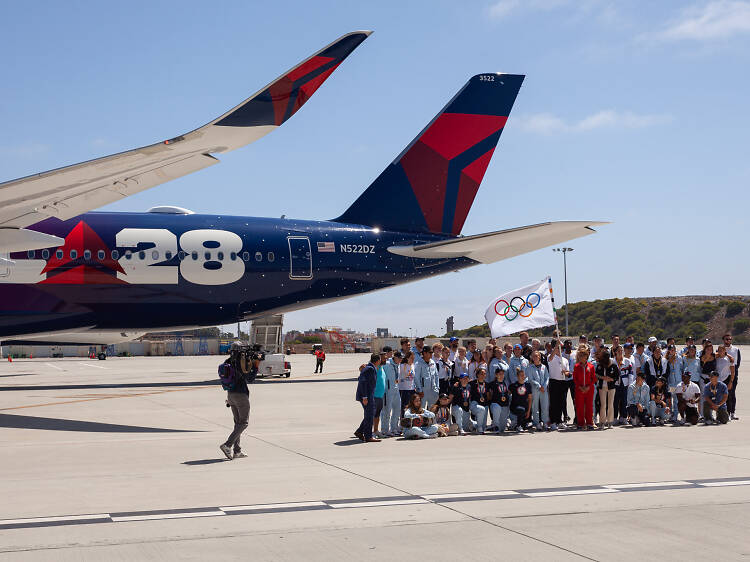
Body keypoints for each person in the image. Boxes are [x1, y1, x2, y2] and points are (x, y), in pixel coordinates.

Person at [220, 343, 251, 460]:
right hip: (241, 395)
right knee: (243, 423)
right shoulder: (240, 362)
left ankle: (237, 451)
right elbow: (250, 378)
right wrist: (256, 365)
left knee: (238, 424)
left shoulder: (228, 361)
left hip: (230, 395)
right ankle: (227, 445)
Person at [354, 353, 382, 442]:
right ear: (377, 361)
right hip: (367, 396)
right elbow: (362, 382)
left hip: (369, 395)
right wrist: (365, 397)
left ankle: (360, 432)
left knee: (369, 415)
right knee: (370, 415)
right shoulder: (369, 368)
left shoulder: (370, 367)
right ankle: (368, 436)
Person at [573, 345, 596, 430]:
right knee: (579, 406)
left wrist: (588, 387)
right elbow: (575, 379)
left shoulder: (591, 366)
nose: (582, 357)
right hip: (579, 390)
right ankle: (580, 423)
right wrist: (580, 387)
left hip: (589, 389)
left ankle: (589, 423)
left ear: (587, 356)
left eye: (584, 355)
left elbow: (594, 379)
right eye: (581, 355)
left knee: (589, 406)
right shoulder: (576, 366)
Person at [547, 340, 569, 430]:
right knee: (553, 403)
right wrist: (556, 346)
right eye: (559, 348)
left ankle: (559, 421)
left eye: (562, 348)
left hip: (562, 382)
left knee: (561, 403)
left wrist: (566, 373)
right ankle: (553, 422)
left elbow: (568, 372)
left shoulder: (565, 360)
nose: (561, 350)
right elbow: (550, 359)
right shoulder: (551, 356)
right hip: (553, 381)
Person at [526, 351, 550, 430]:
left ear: (539, 357)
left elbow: (547, 377)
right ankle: (537, 423)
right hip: (535, 389)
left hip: (544, 389)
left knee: (544, 406)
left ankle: (545, 422)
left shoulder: (544, 367)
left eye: (536, 356)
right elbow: (530, 379)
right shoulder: (530, 367)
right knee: (535, 406)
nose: (535, 358)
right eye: (533, 356)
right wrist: (539, 386)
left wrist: (544, 386)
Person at [596, 348, 619, 429]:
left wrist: (612, 379)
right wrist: (603, 377)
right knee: (603, 405)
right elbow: (596, 374)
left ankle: (610, 422)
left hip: (611, 386)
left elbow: (617, 375)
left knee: (610, 404)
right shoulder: (599, 365)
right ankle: (602, 422)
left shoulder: (613, 364)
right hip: (602, 386)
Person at [382, 349, 402, 437]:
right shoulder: (387, 364)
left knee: (397, 409)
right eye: (400, 358)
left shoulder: (398, 365)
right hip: (388, 390)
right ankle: (385, 430)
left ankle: (394, 428)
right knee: (387, 410)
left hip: (396, 389)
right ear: (395, 357)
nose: (401, 360)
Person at [615, 344, 635, 424]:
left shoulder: (627, 361)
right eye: (618, 351)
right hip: (615, 384)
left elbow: (631, 373)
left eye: (621, 351)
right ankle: (614, 417)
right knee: (615, 401)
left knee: (624, 401)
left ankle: (624, 417)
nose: (620, 352)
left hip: (625, 383)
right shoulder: (612, 361)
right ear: (615, 352)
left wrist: (630, 384)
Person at [723, 333, 741, 420]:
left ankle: (732, 413)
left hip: (732, 375)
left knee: (732, 394)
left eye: (730, 339)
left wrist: (732, 373)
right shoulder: (720, 349)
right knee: (724, 395)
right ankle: (726, 413)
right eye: (726, 339)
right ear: (723, 340)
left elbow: (737, 363)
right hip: (723, 376)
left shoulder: (736, 349)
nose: (728, 341)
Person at [488, 366, 511, 433]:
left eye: (502, 374)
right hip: (495, 404)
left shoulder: (506, 383)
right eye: (499, 374)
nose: (501, 376)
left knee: (502, 428)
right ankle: (495, 426)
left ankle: (492, 427)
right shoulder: (492, 384)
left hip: (504, 405)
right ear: (496, 375)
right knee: (496, 407)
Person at [469, 367, 490, 433]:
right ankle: (479, 427)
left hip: (484, 404)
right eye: (481, 374)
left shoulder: (487, 384)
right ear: (477, 375)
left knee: (483, 427)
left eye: (484, 374)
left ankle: (473, 424)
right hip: (474, 404)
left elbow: (488, 396)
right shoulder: (472, 383)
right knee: (481, 409)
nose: (483, 375)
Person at [665, 345, 683, 422]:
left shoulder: (679, 358)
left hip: (678, 382)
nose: (672, 351)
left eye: (673, 350)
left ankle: (675, 415)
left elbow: (681, 369)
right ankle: (670, 415)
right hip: (671, 382)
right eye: (670, 350)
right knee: (670, 399)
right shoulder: (666, 359)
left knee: (676, 399)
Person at [372, 352, 387, 438]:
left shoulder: (382, 367)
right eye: (384, 358)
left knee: (377, 414)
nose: (385, 359)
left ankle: (376, 430)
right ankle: (370, 432)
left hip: (380, 395)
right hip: (374, 395)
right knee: (372, 415)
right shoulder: (375, 367)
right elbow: (363, 369)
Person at [398, 351, 416, 416]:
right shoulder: (402, 366)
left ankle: (410, 420)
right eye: (411, 358)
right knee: (404, 406)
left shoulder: (413, 366)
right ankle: (403, 420)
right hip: (404, 389)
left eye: (413, 358)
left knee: (411, 406)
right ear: (407, 358)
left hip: (412, 389)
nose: (412, 360)